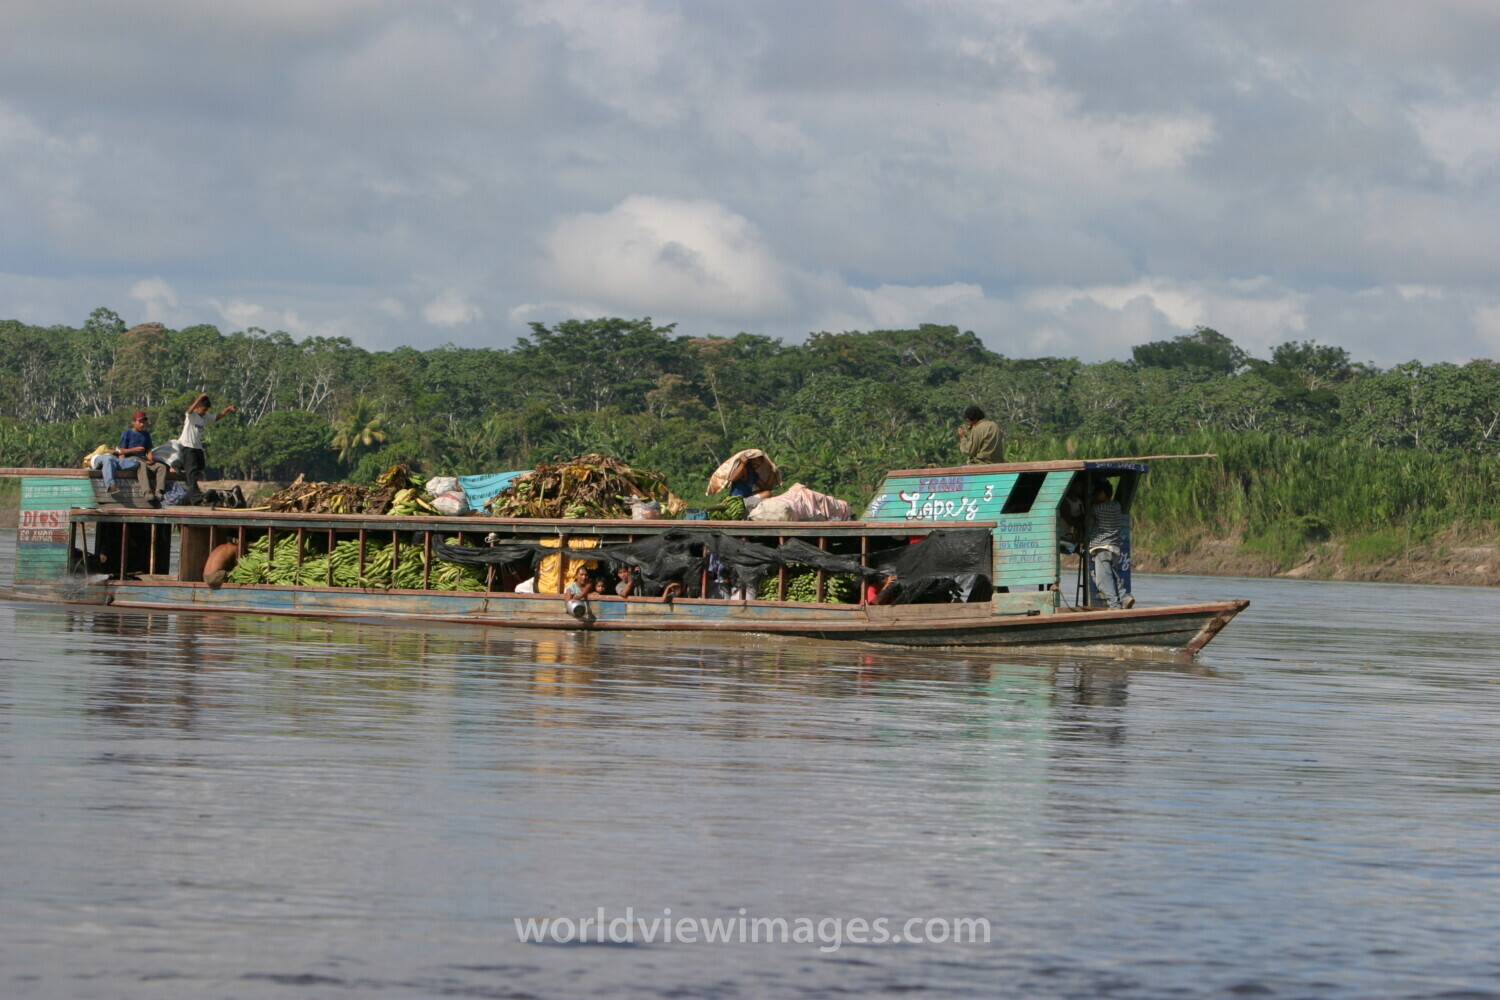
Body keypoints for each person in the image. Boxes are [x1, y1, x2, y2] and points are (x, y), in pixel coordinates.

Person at [100, 410, 169, 501]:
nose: (142, 424)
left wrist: (150, 457)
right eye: (140, 422)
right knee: (142, 465)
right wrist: (134, 449)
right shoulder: (127, 433)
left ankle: (159, 491)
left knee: (161, 467)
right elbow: (121, 451)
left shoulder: (146, 434)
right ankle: (147, 492)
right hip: (132, 459)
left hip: (144, 458)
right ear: (134, 422)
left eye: (143, 422)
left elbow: (148, 449)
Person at [1088, 481, 1135, 610]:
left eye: (1096, 495)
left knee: (1103, 580)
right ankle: (1124, 597)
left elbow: (1088, 511)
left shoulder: (1098, 508)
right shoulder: (1116, 505)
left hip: (1103, 547)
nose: (1095, 498)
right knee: (1112, 575)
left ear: (1102, 494)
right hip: (1115, 548)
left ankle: (1114, 605)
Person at [180, 394, 236, 500]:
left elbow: (216, 417)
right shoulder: (192, 415)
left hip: (198, 447)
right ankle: (193, 491)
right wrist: (198, 399)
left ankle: (180, 465)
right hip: (188, 445)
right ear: (198, 407)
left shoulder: (205, 416)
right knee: (192, 469)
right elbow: (189, 410)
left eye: (206, 410)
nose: (204, 411)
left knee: (200, 465)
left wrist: (227, 410)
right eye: (203, 409)